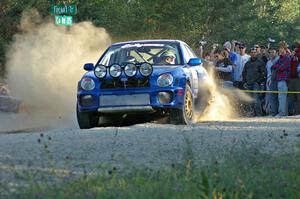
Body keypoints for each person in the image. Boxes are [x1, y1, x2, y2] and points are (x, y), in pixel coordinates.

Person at [242, 47, 266, 116]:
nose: (253, 54)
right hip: (248, 83)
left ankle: (258, 113)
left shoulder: (260, 62)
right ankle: (252, 113)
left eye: (254, 52)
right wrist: (245, 81)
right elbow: (244, 72)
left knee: (256, 99)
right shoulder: (247, 63)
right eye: (252, 52)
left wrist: (258, 82)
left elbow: (263, 73)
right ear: (250, 53)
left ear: (256, 53)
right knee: (250, 99)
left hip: (256, 84)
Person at [271, 41, 291, 116]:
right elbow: (273, 66)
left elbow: (281, 67)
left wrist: (276, 67)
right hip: (279, 79)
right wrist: (276, 66)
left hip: (283, 80)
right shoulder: (281, 58)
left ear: (284, 49)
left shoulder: (287, 57)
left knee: (282, 97)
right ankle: (283, 113)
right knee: (281, 97)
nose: (279, 50)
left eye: (280, 48)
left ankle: (282, 113)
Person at [265, 48, 279, 116]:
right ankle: (272, 112)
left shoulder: (278, 60)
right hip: (269, 80)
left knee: (275, 97)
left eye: (273, 52)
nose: (271, 54)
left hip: (275, 80)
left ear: (276, 52)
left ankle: (276, 112)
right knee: (270, 97)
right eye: (270, 52)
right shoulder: (268, 62)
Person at [288, 41, 300, 115]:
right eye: (293, 47)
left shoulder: (297, 54)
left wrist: (295, 53)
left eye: (296, 46)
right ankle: (296, 112)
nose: (295, 48)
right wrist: (291, 55)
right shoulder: (291, 55)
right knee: (293, 97)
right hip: (291, 78)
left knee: (299, 96)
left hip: (298, 78)